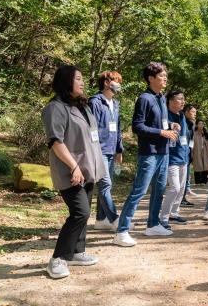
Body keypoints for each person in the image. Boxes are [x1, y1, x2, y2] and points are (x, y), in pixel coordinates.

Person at [41, 65, 106, 279]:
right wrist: (74, 166)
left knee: (84, 211)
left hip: (89, 169)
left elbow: (92, 138)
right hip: (72, 170)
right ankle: (57, 259)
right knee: (80, 212)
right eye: (78, 78)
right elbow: (55, 142)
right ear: (66, 81)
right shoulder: (55, 108)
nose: (82, 82)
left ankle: (78, 251)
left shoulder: (82, 106)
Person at [113, 62, 179, 247]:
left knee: (159, 190)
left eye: (166, 75)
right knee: (139, 191)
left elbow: (160, 123)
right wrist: (161, 132)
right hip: (149, 153)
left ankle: (153, 224)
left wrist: (170, 127)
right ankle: (122, 231)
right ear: (151, 78)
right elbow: (137, 126)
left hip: (163, 152)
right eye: (161, 75)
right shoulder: (144, 98)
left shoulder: (162, 98)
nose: (165, 78)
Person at [88, 71, 124, 232]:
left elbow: (117, 129)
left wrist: (119, 150)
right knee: (105, 184)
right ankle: (115, 219)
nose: (118, 84)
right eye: (116, 81)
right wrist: (93, 150)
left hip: (111, 150)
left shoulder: (115, 104)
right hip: (98, 150)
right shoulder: (94, 102)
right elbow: (90, 128)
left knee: (106, 186)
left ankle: (101, 220)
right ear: (106, 82)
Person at [159, 91, 190, 228]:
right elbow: (162, 125)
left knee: (182, 188)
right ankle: (163, 217)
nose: (183, 102)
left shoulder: (182, 115)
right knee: (175, 188)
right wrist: (172, 124)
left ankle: (174, 213)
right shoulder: (165, 114)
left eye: (184, 99)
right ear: (170, 101)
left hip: (184, 156)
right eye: (180, 99)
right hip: (171, 158)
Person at [181, 104, 197, 206]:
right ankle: (180, 199)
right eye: (193, 112)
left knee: (186, 177)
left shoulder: (192, 124)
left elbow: (191, 139)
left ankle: (183, 198)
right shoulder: (181, 122)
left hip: (187, 153)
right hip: (180, 153)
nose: (195, 114)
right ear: (186, 112)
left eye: (196, 112)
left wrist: (191, 151)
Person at [192, 120, 208, 185]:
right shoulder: (194, 133)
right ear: (196, 125)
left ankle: (204, 181)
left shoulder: (205, 133)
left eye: (202, 124)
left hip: (204, 151)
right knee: (197, 166)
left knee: (205, 166)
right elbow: (191, 143)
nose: (201, 125)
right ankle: (198, 181)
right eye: (199, 123)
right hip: (196, 151)